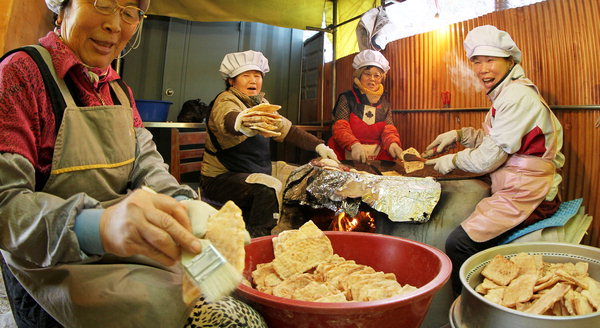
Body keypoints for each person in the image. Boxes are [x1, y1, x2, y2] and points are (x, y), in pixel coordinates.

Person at [0, 1, 264, 327]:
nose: (115, 24)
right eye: (103, 3)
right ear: (63, 5)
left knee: (238, 292)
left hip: (127, 248)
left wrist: (181, 203)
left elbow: (147, 164)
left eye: (129, 12)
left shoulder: (119, 90)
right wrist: (98, 226)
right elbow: (6, 205)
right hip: (52, 262)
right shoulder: (21, 74)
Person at [425, 25, 565, 295]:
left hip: (528, 194)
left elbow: (488, 159)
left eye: (491, 60)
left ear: (509, 61)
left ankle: (469, 308)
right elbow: (499, 141)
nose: (482, 69)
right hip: (517, 185)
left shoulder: (517, 97)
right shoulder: (506, 93)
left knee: (458, 244)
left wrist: (451, 161)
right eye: (477, 61)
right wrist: (460, 134)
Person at [200, 50, 339, 238]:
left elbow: (287, 129)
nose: (253, 80)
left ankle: (293, 232)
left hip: (256, 170)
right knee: (266, 188)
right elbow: (229, 119)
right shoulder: (225, 99)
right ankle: (258, 239)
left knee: (302, 176)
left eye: (257, 75)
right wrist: (244, 122)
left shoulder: (261, 103)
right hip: (221, 178)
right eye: (245, 75)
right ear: (231, 80)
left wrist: (319, 146)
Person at [327, 49, 403, 163]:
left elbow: (389, 130)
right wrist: (354, 145)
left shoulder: (385, 105)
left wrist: (393, 144)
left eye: (377, 75)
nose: (372, 79)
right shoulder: (347, 98)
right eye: (367, 74)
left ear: (381, 79)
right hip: (345, 153)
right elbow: (340, 127)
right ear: (359, 75)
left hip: (375, 158)